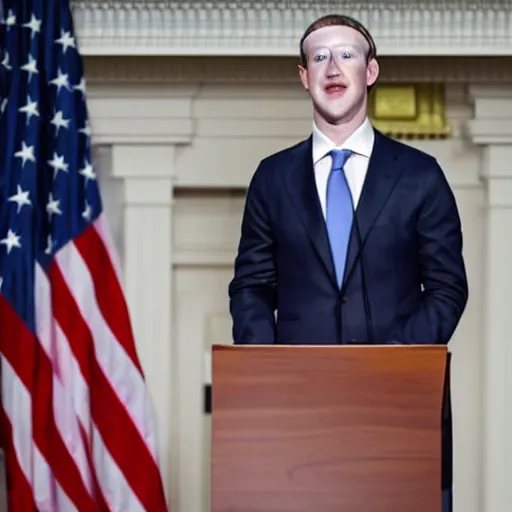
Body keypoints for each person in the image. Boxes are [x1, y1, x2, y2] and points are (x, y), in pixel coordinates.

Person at [228, 13, 468, 512]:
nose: (332, 66)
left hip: (399, 406)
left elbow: (446, 287)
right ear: (303, 76)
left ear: (371, 71)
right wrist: (267, 370)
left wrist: (396, 360)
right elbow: (251, 286)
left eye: (346, 54)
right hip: (296, 412)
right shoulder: (271, 178)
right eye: (319, 56)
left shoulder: (421, 175)